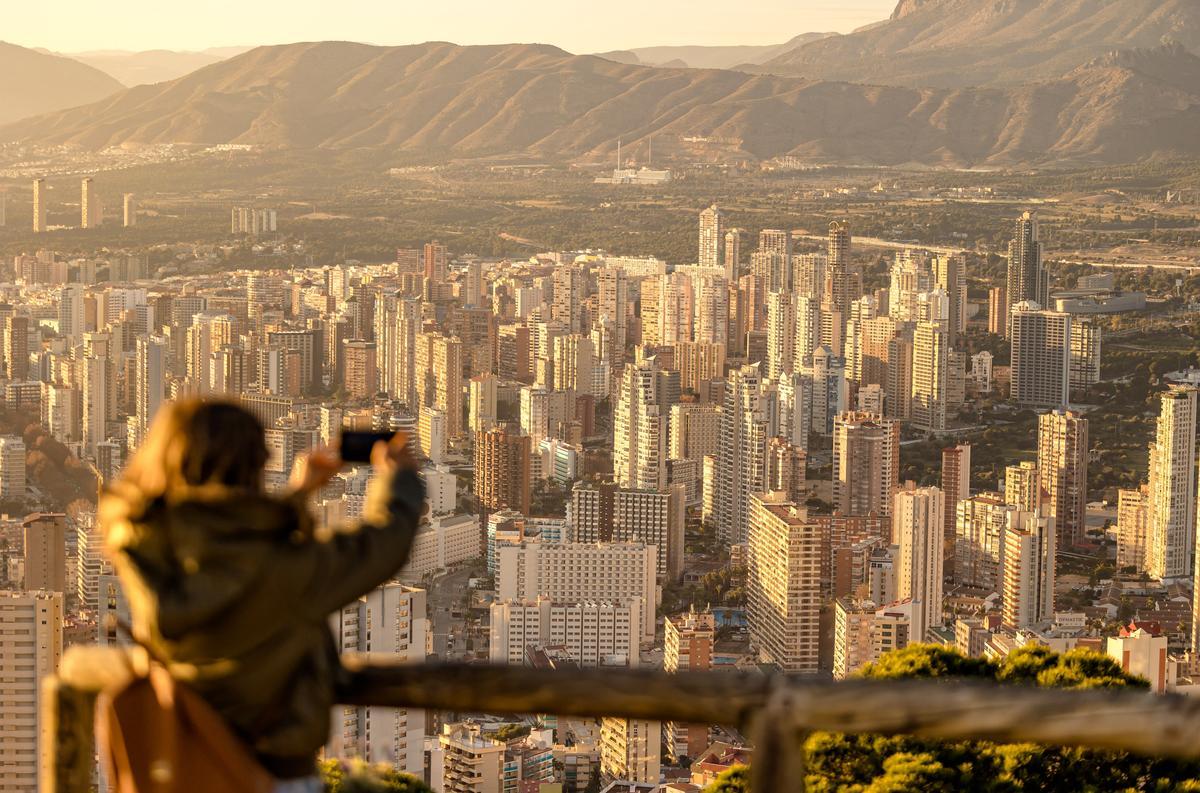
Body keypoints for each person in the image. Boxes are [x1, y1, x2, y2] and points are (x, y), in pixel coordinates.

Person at [100, 399, 425, 792]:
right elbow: (381, 546)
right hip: (274, 777)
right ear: (254, 465)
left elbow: (224, 546)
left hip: (184, 768)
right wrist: (399, 479)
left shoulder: (141, 549)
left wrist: (296, 495)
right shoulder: (287, 572)